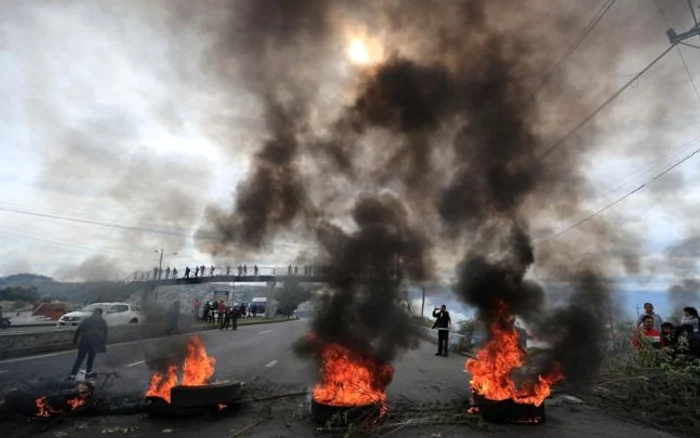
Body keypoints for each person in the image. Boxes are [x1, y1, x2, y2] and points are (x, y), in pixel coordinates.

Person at [70, 308, 108, 380]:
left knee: (80, 358)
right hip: (94, 343)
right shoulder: (102, 321)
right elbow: (105, 333)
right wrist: (103, 344)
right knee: (91, 358)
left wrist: (74, 341)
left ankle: (73, 374)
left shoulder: (87, 320)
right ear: (100, 314)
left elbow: (78, 330)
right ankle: (88, 371)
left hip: (84, 342)